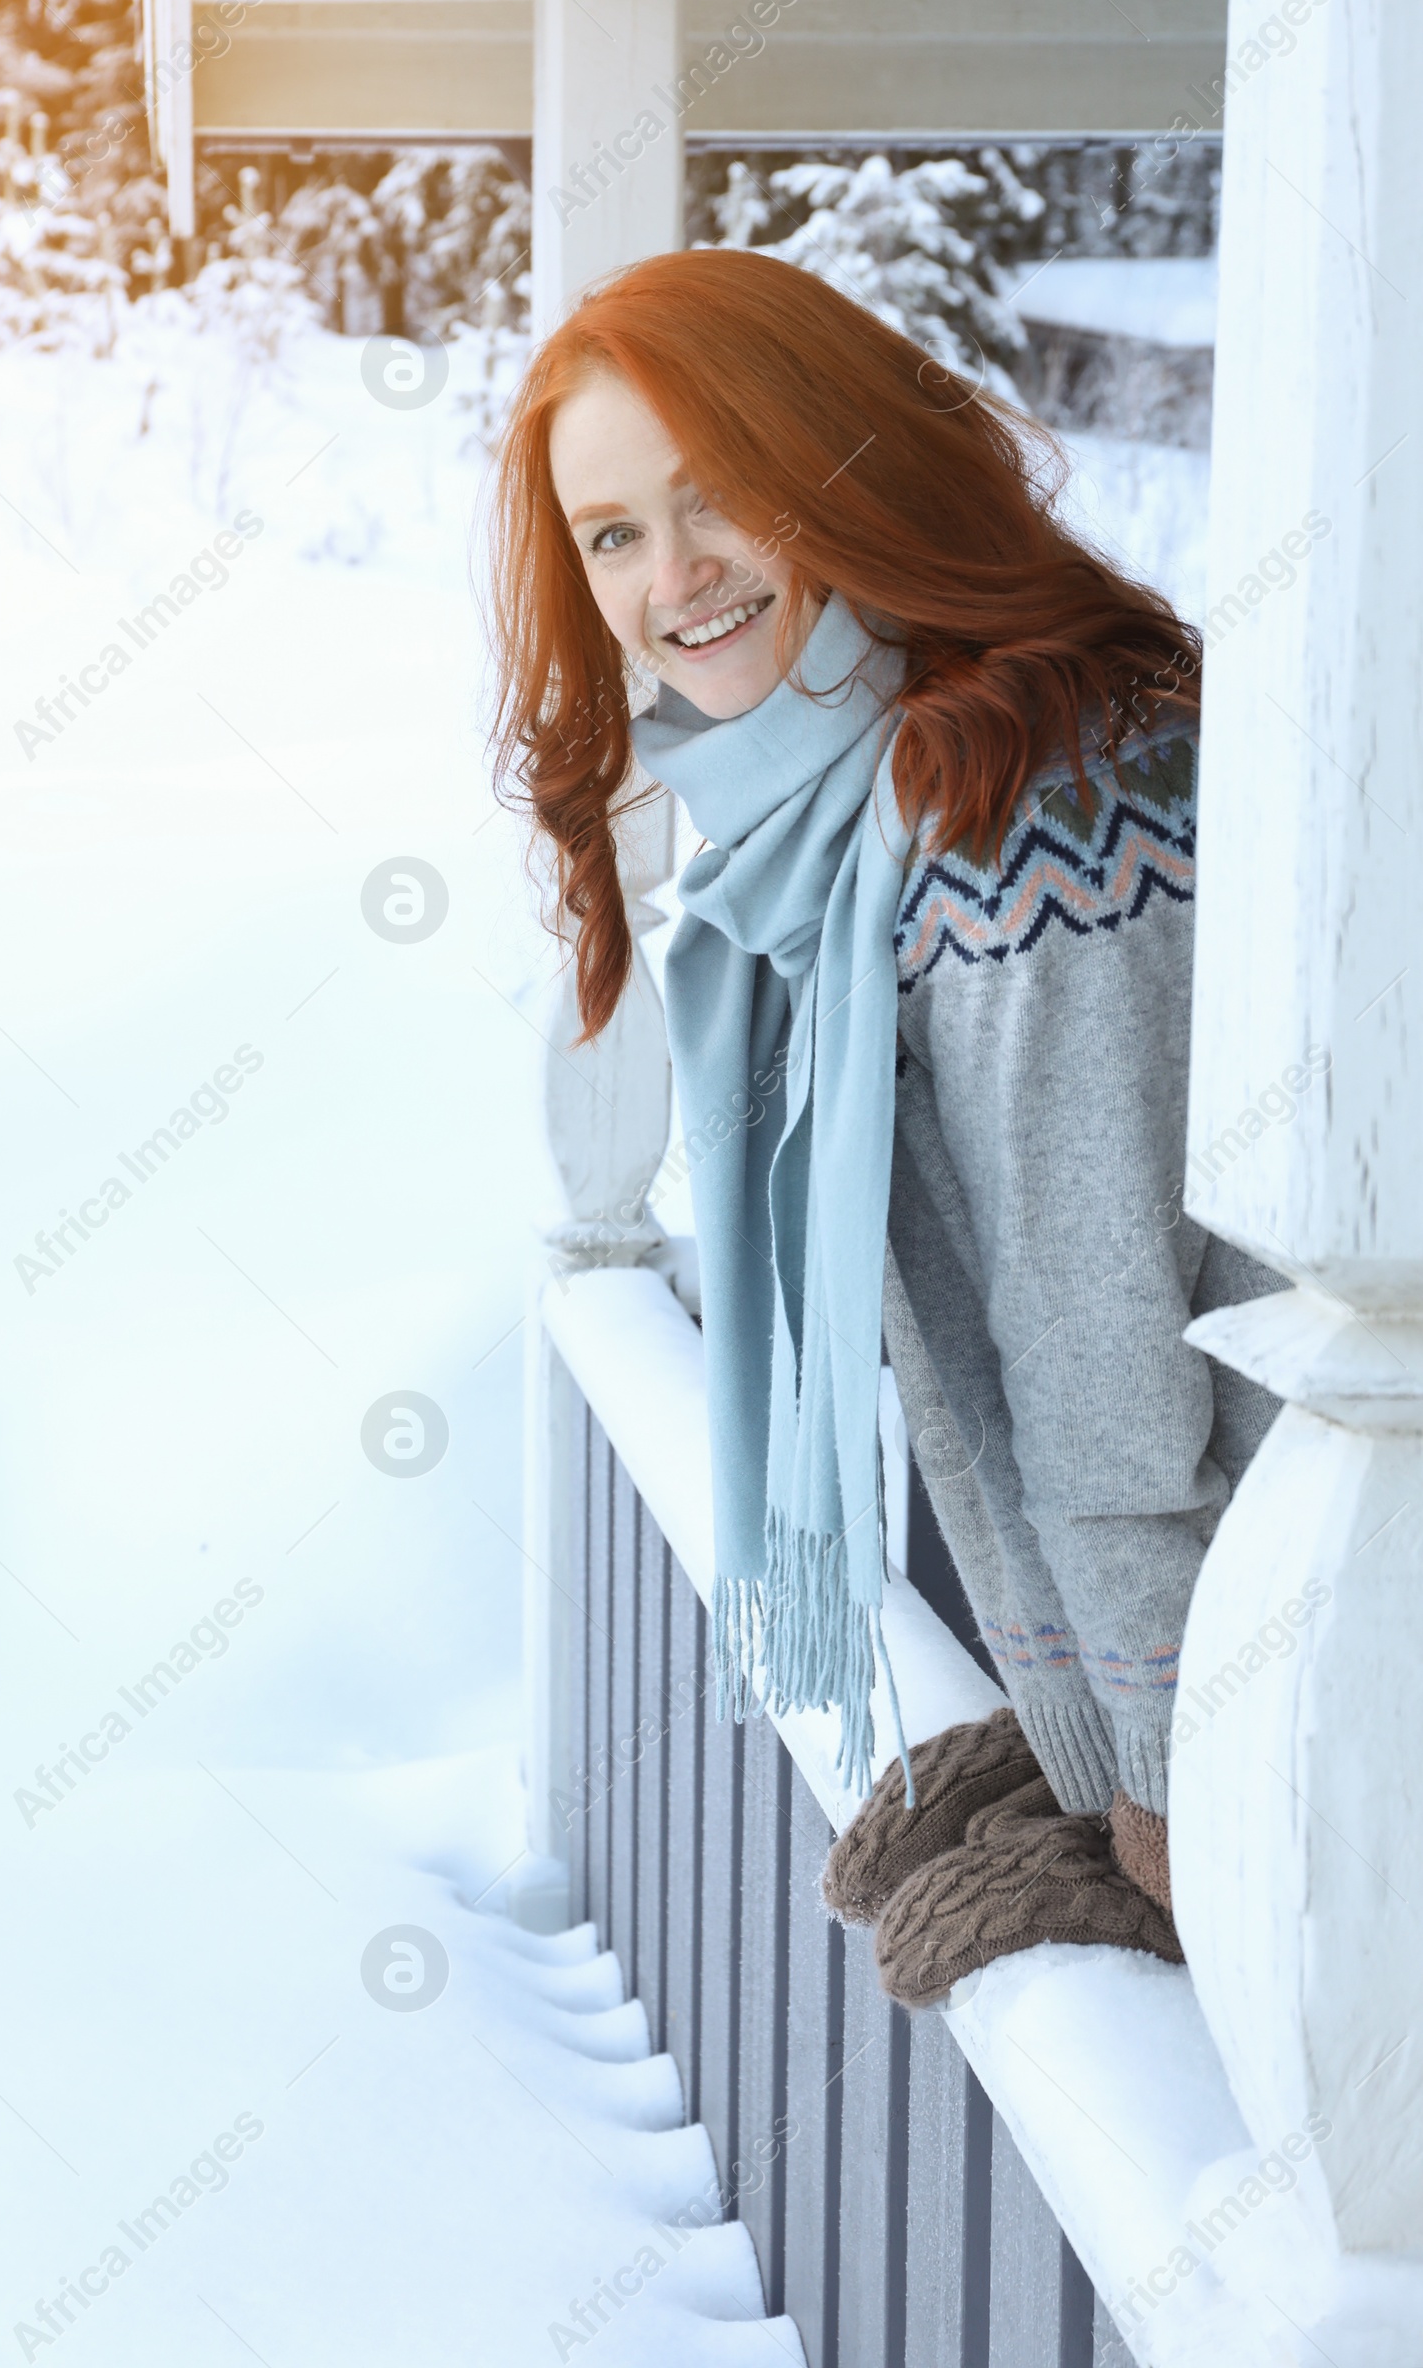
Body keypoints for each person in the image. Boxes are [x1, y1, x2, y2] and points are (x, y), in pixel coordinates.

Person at [486, 246, 1283, 2003]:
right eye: (611, 534)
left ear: (840, 465)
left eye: (722, 498)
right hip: (1212, 1663)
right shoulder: (855, 803)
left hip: (1298, 1676)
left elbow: (1101, 1354)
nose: (672, 579)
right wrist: (1066, 1748)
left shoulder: (1042, 793)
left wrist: (1167, 1797)